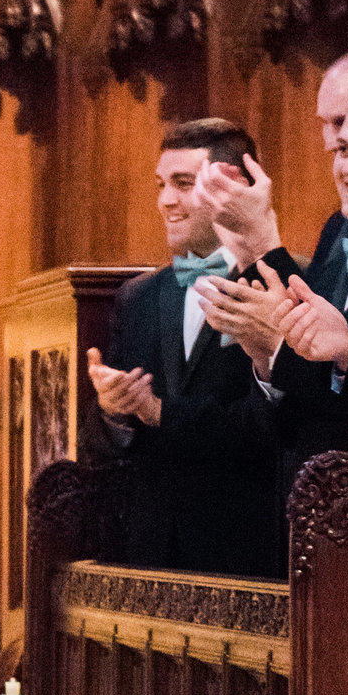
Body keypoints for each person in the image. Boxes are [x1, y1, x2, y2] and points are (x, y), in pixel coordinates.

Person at [198, 82, 348, 482]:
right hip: (319, 490)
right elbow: (311, 341)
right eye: (344, 150)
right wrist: (256, 249)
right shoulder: (340, 227)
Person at [85, 119, 283, 577]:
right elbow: (108, 445)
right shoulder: (138, 298)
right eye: (161, 184)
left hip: (246, 549)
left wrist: (161, 413)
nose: (166, 201)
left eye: (183, 183)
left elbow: (270, 423)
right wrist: (114, 410)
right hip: (151, 551)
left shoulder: (284, 282)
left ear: (234, 186)